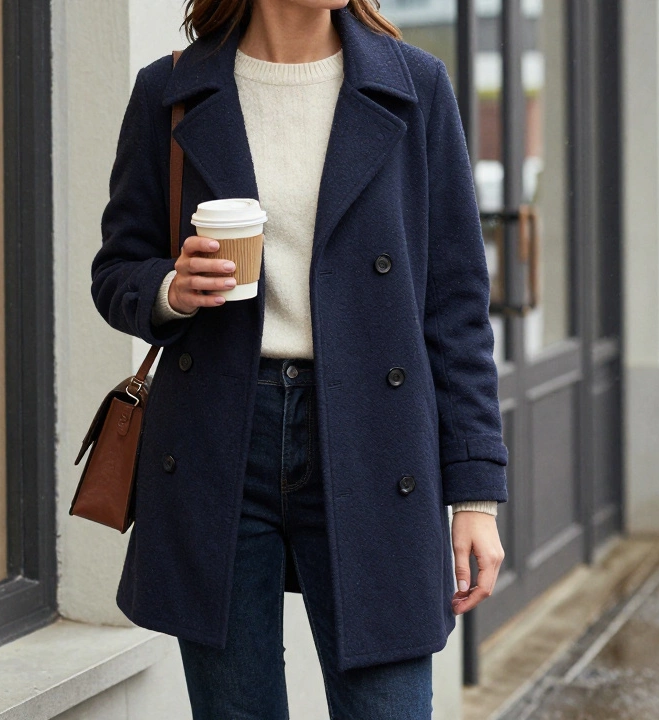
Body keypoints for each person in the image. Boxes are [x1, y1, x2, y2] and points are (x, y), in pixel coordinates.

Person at [91, 2, 507, 718]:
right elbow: (116, 270)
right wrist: (170, 288)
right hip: (219, 433)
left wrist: (475, 494)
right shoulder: (171, 90)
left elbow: (456, 307)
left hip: (375, 436)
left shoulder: (414, 86)